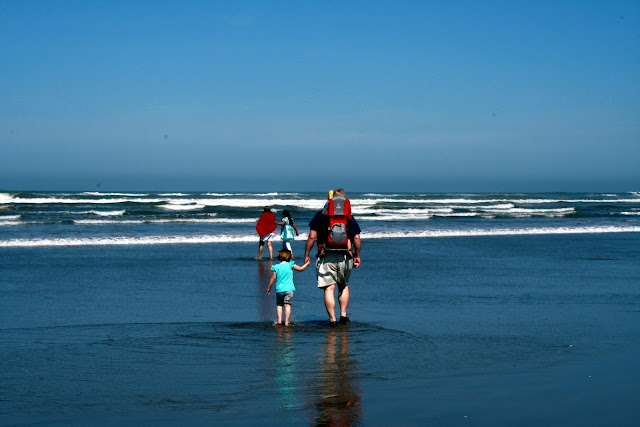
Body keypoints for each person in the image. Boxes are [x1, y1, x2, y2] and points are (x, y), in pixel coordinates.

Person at [304, 188, 361, 327]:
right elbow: (357, 237)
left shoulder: (321, 214)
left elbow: (312, 236)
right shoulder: (348, 216)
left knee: (329, 288)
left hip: (326, 254)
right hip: (345, 255)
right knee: (343, 285)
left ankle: (332, 320)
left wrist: (306, 254)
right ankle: (343, 315)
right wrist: (357, 255)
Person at [267, 249, 310, 326]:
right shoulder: (290, 265)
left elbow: (273, 278)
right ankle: (286, 322)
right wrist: (307, 264)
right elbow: (301, 269)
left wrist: (269, 287)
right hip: (289, 289)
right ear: (289, 257)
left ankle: (279, 320)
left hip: (279, 290)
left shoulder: (276, 267)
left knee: (279, 305)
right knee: (287, 305)